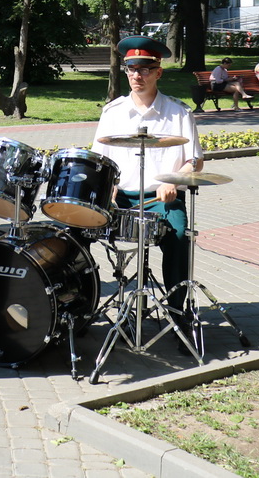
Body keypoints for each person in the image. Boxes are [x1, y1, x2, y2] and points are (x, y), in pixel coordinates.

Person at [93, 36, 204, 350]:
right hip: (123, 199)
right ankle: (98, 307)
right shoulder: (112, 112)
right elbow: (100, 160)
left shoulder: (179, 113)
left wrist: (174, 179)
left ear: (159, 72)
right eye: (131, 68)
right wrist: (109, 189)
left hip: (162, 198)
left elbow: (195, 160)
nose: (137, 75)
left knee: (180, 237)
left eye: (145, 68)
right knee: (78, 230)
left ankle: (178, 312)